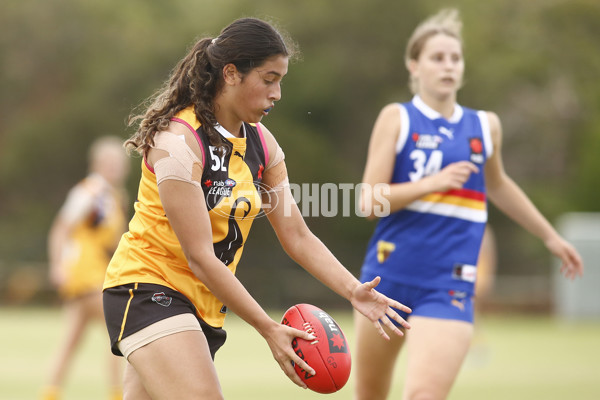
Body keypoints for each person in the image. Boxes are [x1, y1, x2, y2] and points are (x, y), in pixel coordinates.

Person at [102, 17, 411, 400]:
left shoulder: (262, 146)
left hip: (203, 306)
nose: (277, 93)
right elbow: (199, 256)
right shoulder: (177, 143)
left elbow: (296, 235)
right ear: (231, 74)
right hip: (149, 289)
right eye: (268, 79)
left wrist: (354, 291)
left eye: (280, 80)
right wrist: (267, 327)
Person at [353, 8, 584, 400]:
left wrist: (550, 236)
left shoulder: (484, 125)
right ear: (414, 65)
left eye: (455, 58)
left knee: (423, 395)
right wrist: (432, 183)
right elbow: (368, 201)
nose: (448, 66)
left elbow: (500, 185)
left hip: (448, 284)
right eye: (437, 58)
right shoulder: (398, 118)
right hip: (385, 280)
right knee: (369, 395)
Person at [43, 136, 130, 400]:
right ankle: (118, 393)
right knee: (119, 332)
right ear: (97, 164)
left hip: (95, 272)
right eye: (109, 162)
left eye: (119, 163)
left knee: (72, 339)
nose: (115, 168)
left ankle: (50, 393)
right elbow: (60, 230)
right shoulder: (89, 192)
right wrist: (57, 265)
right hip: (85, 273)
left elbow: (116, 240)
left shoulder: (113, 197)